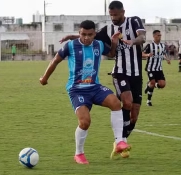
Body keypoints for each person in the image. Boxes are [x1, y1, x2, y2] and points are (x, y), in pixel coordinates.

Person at [59, 1, 146, 159]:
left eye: (116, 15)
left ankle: (122, 140)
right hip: (120, 71)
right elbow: (89, 37)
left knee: (134, 115)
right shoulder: (108, 29)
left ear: (123, 12)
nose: (113, 18)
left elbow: (142, 37)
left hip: (136, 72)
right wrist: (72, 37)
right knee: (126, 102)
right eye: (111, 15)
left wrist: (133, 41)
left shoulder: (134, 21)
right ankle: (120, 141)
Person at [39, 20, 129, 164]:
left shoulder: (99, 44)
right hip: (77, 90)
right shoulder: (70, 46)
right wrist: (44, 78)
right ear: (79, 33)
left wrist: (113, 42)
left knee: (116, 103)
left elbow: (112, 53)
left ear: (95, 34)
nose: (86, 38)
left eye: (90, 34)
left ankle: (119, 142)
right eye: (83, 34)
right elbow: (55, 61)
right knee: (85, 122)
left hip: (94, 86)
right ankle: (78, 154)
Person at [142, 30, 170, 106]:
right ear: (154, 36)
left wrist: (167, 59)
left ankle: (149, 85)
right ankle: (148, 101)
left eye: (160, 35)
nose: (159, 37)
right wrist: (148, 55)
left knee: (162, 85)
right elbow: (142, 54)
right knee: (153, 82)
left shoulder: (163, 45)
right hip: (150, 68)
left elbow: (164, 53)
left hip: (159, 69)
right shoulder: (149, 45)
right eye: (158, 35)